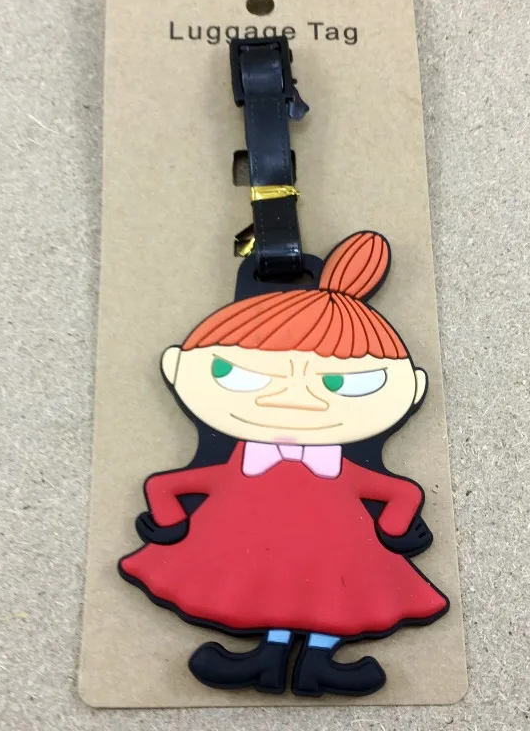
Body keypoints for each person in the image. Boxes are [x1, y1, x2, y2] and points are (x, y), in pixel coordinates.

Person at [119, 231, 448, 697]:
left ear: (413, 390)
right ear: (175, 368)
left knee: (334, 592)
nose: (295, 399)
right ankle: (270, 659)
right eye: (236, 374)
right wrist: (168, 520)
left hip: (335, 548)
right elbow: (172, 485)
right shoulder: (242, 463)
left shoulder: (336, 469)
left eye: (346, 383)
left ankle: (316, 663)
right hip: (257, 544)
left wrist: (396, 529)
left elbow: (402, 493)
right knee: (268, 586)